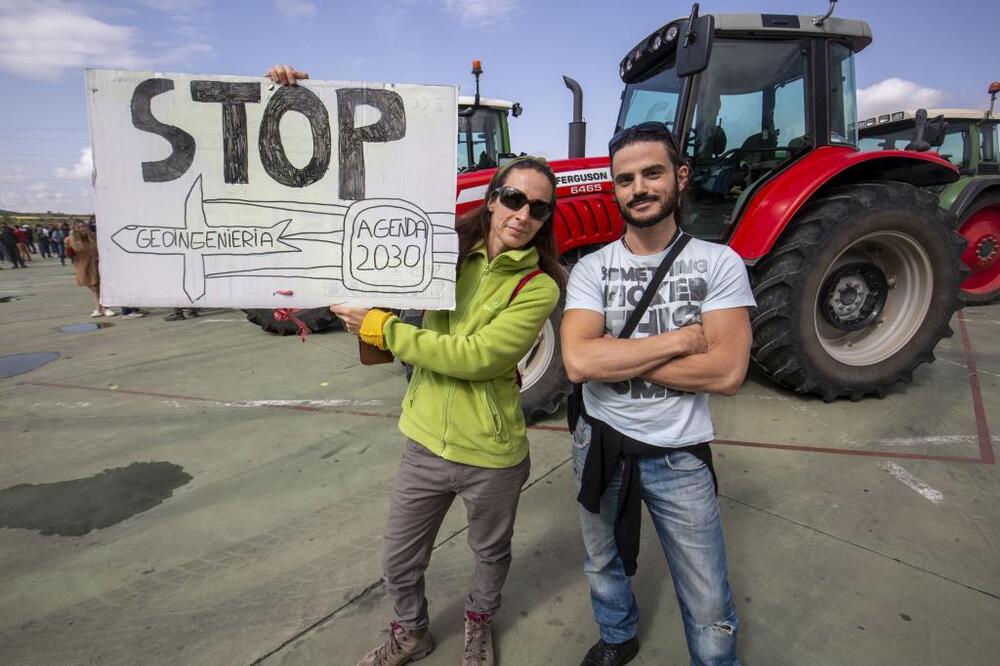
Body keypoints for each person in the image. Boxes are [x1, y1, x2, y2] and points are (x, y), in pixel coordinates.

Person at [561, 122, 755, 666]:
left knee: (708, 596)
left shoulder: (718, 263)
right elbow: (578, 361)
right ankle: (617, 636)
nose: (639, 188)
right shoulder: (592, 268)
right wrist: (680, 341)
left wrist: (614, 357)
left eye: (652, 173)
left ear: (680, 175)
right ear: (614, 188)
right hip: (599, 442)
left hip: (679, 451)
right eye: (625, 179)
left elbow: (726, 372)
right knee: (602, 562)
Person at [65, 221, 115, 317]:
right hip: (83, 265)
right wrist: (68, 248)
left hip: (96, 264)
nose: (82, 228)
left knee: (100, 287)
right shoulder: (70, 240)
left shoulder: (93, 237)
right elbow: (69, 255)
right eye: (79, 227)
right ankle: (101, 308)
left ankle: (103, 308)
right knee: (94, 288)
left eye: (83, 226)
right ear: (75, 229)